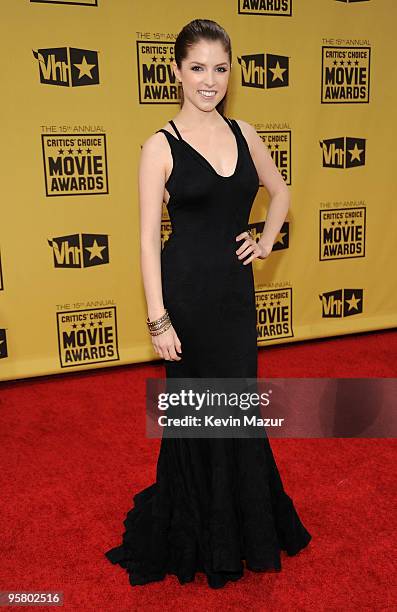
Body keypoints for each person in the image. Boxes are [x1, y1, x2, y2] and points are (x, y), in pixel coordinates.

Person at [105, 18, 312, 589]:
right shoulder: (158, 147)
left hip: (234, 298)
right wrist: (157, 317)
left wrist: (265, 240)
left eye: (220, 68)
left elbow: (283, 191)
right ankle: (201, 529)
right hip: (187, 298)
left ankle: (243, 525)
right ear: (176, 71)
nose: (210, 80)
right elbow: (148, 237)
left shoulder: (245, 132)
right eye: (198, 67)